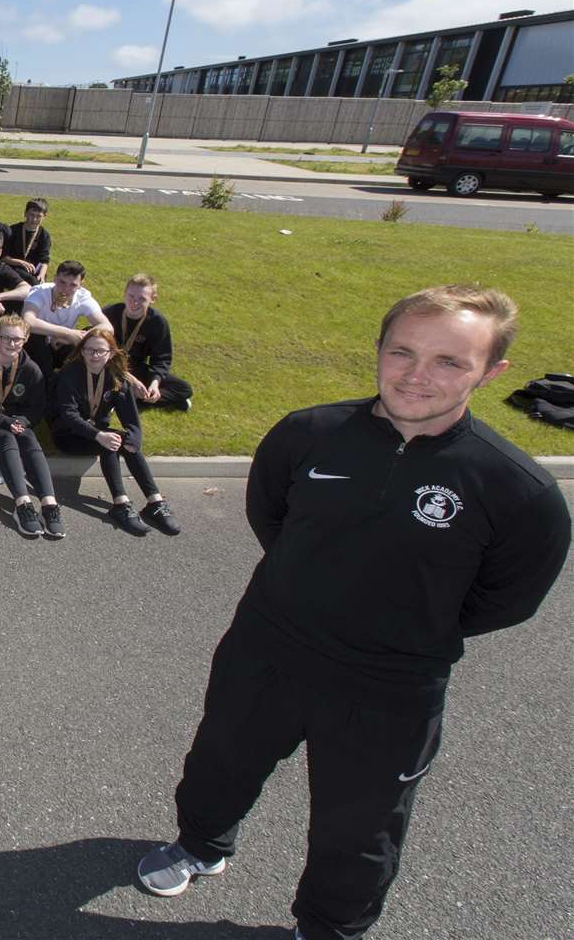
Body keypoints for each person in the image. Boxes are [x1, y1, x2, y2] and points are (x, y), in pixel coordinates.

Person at [136, 285, 570, 940]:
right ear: (379, 350)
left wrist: (404, 631)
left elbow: (506, 600)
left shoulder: (519, 492)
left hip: (391, 689)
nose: (416, 374)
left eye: (450, 361)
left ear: (492, 372)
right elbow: (272, 519)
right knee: (219, 764)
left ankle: (329, 927)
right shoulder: (307, 434)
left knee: (359, 828)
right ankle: (202, 845)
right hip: (267, 653)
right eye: (402, 351)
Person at [50, 326, 174, 536]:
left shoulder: (116, 378)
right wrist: (99, 435)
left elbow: (131, 420)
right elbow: (68, 416)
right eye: (89, 350)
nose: (94, 355)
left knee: (123, 440)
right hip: (68, 434)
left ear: (111, 353)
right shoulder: (70, 374)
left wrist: (134, 441)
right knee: (111, 441)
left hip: (97, 431)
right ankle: (120, 503)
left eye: (100, 351)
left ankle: (155, 501)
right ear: (81, 351)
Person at [0, 314, 64, 538]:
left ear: (26, 339)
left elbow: (37, 409)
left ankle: (49, 504)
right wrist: (5, 422)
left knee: (28, 437)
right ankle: (23, 505)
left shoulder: (31, 370)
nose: (11, 343)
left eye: (17, 339)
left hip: (14, 425)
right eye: (5, 338)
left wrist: (22, 422)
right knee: (6, 438)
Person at [103, 273, 192, 411]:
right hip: (109, 366)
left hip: (135, 367)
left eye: (142, 299)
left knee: (183, 389)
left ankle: (133, 398)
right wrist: (132, 380)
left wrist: (155, 383)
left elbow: (162, 358)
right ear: (124, 293)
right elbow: (95, 350)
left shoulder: (157, 322)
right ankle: (127, 397)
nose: (135, 303)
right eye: (131, 296)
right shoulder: (109, 314)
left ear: (153, 299)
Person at [21, 259, 111, 389]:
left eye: (73, 285)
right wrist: (67, 333)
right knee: (35, 338)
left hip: (61, 344)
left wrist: (71, 339)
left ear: (81, 284)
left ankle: (83, 385)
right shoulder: (39, 292)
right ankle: (46, 382)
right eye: (62, 282)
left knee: (94, 335)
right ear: (55, 278)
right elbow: (27, 321)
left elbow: (107, 327)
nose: (66, 289)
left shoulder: (83, 298)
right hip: (37, 345)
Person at [4, 198, 51, 285]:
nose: (34, 219)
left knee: (39, 283)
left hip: (34, 270)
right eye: (31, 215)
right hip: (14, 267)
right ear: (25, 213)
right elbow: (3, 257)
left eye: (39, 216)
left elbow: (44, 260)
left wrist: (42, 274)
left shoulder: (44, 235)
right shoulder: (13, 230)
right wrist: (20, 262)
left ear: (45, 216)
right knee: (32, 282)